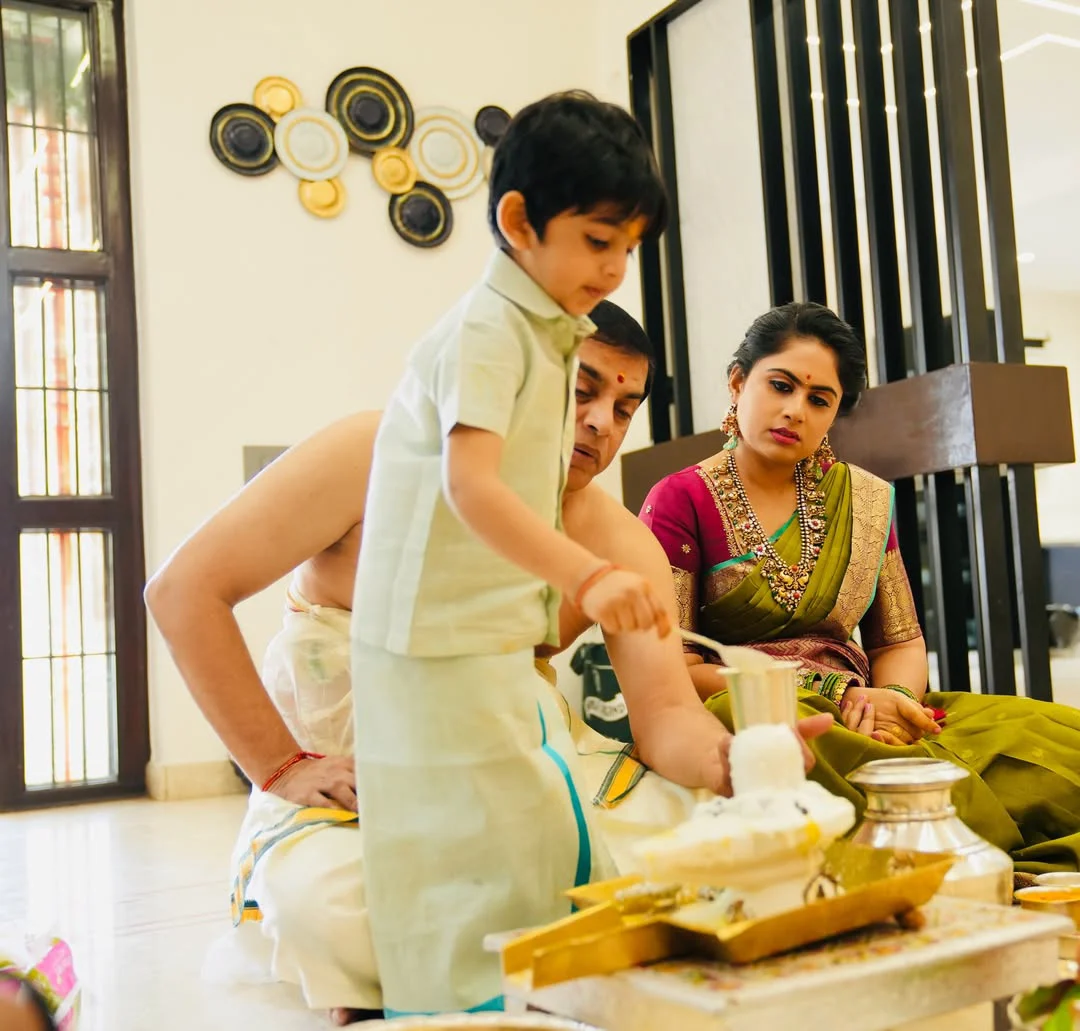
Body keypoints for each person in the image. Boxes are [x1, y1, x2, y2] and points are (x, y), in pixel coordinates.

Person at [145, 303, 835, 1025]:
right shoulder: (374, 453)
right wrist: (282, 767)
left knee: (705, 852)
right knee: (334, 908)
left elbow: (665, 714)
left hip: (520, 766)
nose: (602, 422)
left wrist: (733, 759)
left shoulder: (619, 541)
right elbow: (183, 591)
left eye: (624, 407)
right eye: (582, 391)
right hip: (358, 785)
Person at [640, 300, 1080, 874]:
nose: (795, 410)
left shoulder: (864, 499)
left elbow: (897, 641)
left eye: (819, 400)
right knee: (784, 739)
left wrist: (894, 701)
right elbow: (673, 665)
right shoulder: (681, 498)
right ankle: (963, 848)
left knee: (1047, 736)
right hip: (757, 707)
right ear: (738, 382)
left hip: (872, 704)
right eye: (780, 385)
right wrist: (826, 689)